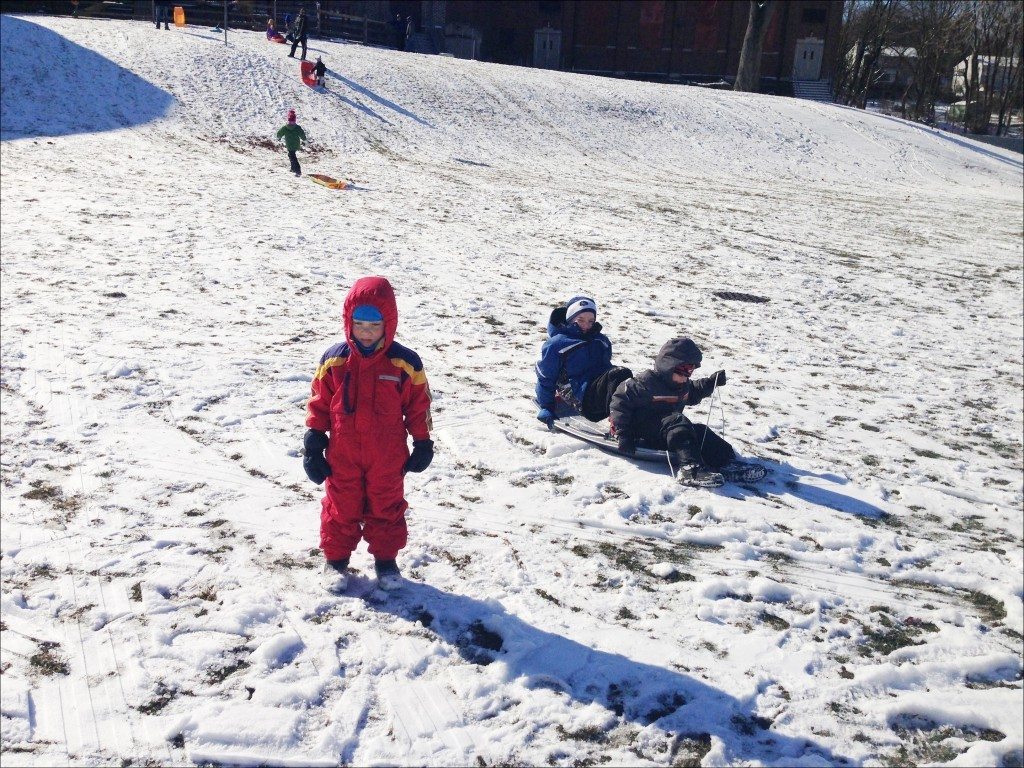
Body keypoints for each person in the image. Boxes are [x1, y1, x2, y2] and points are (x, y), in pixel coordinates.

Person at [302, 276, 434, 593]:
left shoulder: (405, 363)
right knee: (340, 505)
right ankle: (335, 560)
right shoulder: (334, 360)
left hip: (387, 454)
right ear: (348, 322)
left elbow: (418, 406)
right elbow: (318, 402)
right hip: (343, 452)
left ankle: (386, 562)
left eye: (373, 326)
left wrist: (423, 441)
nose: (365, 331)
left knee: (386, 505)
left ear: (388, 325)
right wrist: (314, 439)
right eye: (358, 324)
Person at [608, 337, 740, 487]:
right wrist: (622, 433)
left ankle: (727, 463)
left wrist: (710, 383)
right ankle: (689, 469)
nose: (685, 379)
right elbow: (619, 403)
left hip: (667, 430)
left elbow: (694, 391)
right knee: (677, 421)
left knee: (699, 431)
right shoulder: (645, 383)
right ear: (668, 366)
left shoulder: (680, 385)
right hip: (639, 431)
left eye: (689, 374)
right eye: (682, 373)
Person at [535, 296, 632, 427]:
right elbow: (546, 377)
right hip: (579, 399)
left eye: (591, 321)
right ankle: (619, 425)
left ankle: (640, 422)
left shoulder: (601, 341)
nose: (586, 325)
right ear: (570, 319)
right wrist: (546, 406)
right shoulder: (557, 344)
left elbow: (606, 368)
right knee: (618, 375)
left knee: (630, 382)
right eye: (581, 320)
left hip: (597, 395)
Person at [276, 109, 306, 176]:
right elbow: (302, 134)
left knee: (293, 157)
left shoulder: (285, 128)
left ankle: (298, 171)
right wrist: (305, 140)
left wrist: (279, 137)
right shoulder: (297, 127)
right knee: (291, 155)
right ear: (295, 120)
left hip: (289, 145)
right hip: (296, 144)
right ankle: (293, 169)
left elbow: (279, 133)